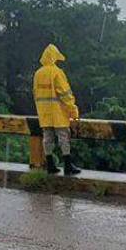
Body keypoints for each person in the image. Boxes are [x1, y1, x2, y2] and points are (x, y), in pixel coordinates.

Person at [32, 43, 81, 175]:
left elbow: (35, 93)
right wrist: (74, 111)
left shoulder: (38, 73)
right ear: (54, 57)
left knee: (47, 138)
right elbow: (65, 94)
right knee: (63, 137)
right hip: (58, 112)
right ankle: (68, 165)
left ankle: (50, 164)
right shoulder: (57, 73)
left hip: (44, 112)